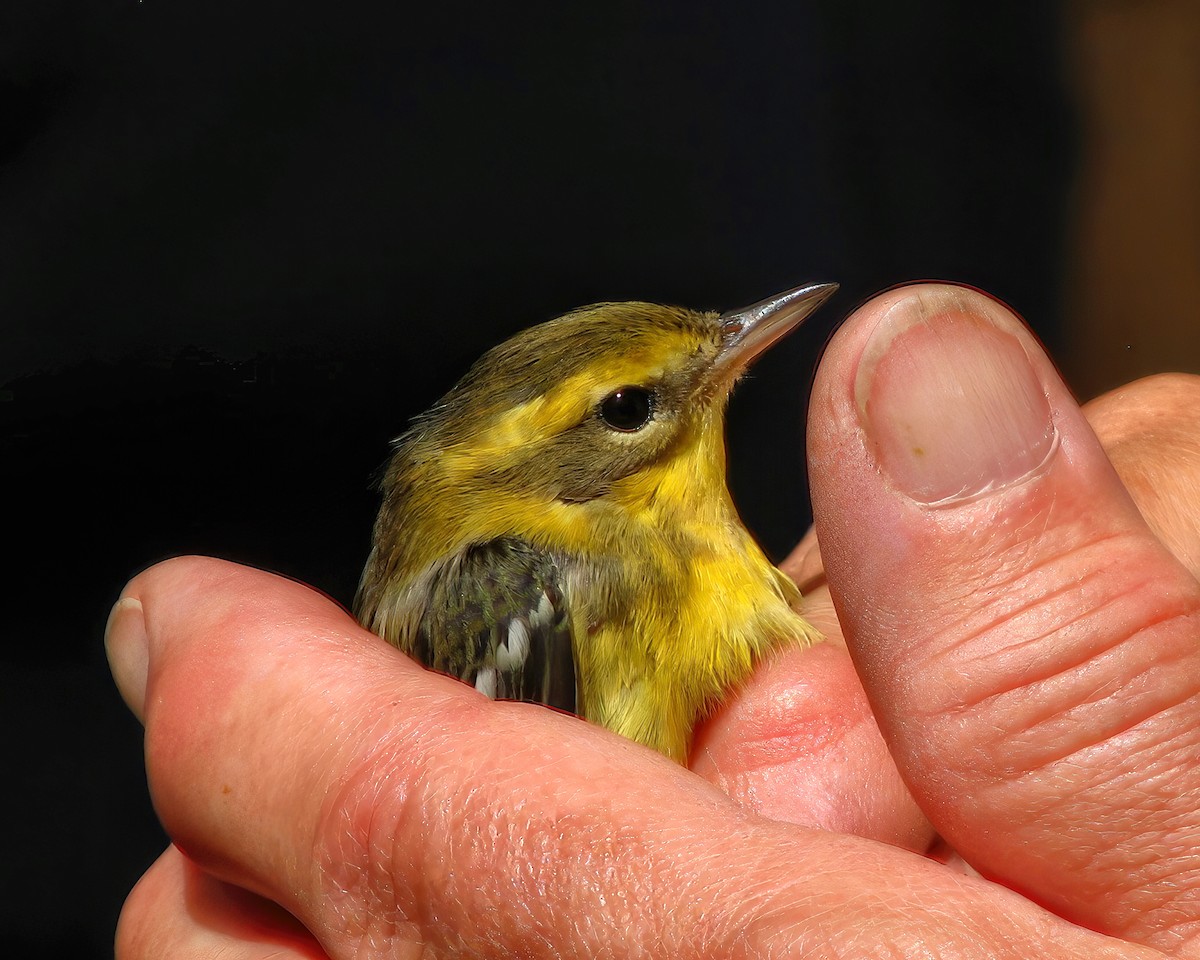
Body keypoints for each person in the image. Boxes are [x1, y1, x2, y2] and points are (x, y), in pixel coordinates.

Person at [106, 284, 1200, 958]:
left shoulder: (680, 545)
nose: (711, 376)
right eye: (635, 410)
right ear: (547, 478)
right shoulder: (515, 581)